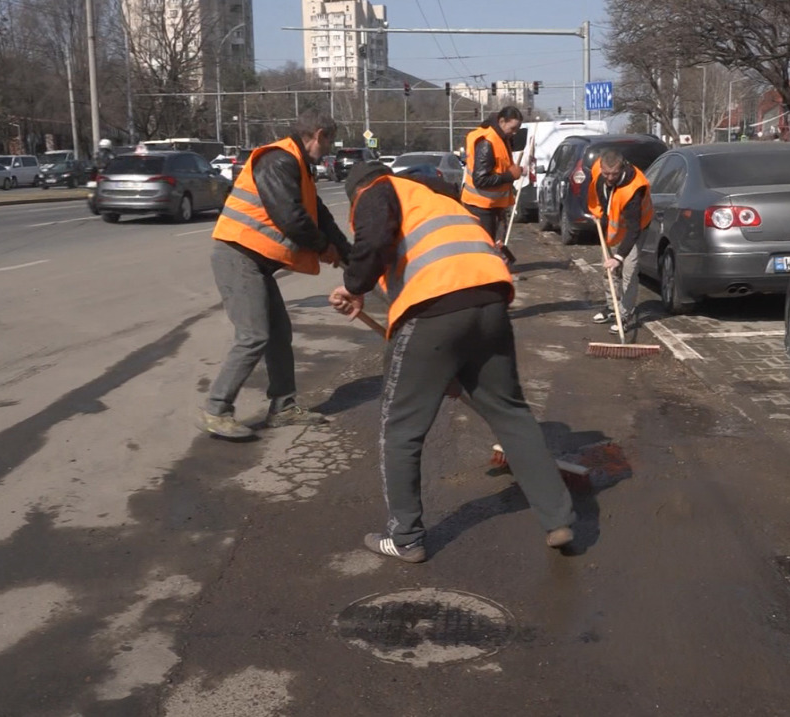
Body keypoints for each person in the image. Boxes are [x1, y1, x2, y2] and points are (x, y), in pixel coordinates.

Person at [328, 161, 576, 563]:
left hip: (435, 311)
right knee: (511, 414)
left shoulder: (377, 190)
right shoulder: (438, 198)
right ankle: (559, 520)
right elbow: (424, 262)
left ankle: (405, 536)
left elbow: (373, 243)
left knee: (401, 429)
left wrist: (354, 286)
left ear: (358, 190)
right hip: (490, 301)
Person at [198, 112, 351, 439]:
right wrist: (324, 248)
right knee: (254, 335)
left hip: (256, 262)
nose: (329, 150)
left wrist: (347, 253)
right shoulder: (278, 160)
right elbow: (291, 219)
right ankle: (216, 409)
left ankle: (283, 407)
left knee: (278, 334)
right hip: (238, 256)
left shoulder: (298, 164)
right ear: (319, 134)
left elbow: (317, 213)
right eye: (329, 142)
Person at [588, 150, 653, 336]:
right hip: (616, 224)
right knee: (608, 268)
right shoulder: (600, 176)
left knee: (628, 270)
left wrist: (618, 256)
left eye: (614, 174)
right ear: (601, 168)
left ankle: (624, 316)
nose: (609, 178)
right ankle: (612, 308)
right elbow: (602, 200)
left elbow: (634, 229)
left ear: (622, 167)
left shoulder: (635, 189)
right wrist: (600, 218)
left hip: (637, 226)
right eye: (606, 173)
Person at [461, 106, 524, 263]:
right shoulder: (487, 143)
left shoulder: (502, 138)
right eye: (513, 128)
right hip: (480, 205)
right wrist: (509, 175)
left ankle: (489, 273)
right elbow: (480, 180)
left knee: (491, 247)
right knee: (483, 249)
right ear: (502, 121)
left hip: (492, 205)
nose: (515, 132)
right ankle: (484, 279)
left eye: (518, 129)